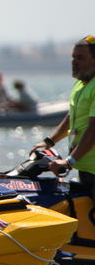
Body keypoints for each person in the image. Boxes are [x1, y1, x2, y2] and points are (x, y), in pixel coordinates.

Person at [34, 36, 95, 195]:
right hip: (86, 168)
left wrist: (68, 162)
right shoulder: (80, 83)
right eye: (73, 57)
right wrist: (49, 141)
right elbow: (72, 116)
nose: (74, 62)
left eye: (80, 58)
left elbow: (93, 130)